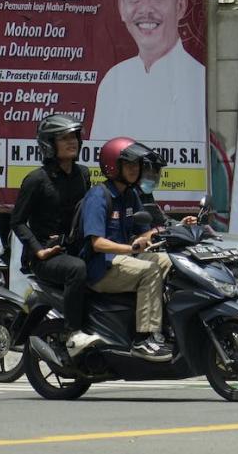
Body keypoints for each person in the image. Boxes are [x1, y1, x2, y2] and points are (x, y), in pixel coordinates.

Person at [91, 0, 206, 143]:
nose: (145, 9)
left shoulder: (199, 81)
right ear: (121, 8)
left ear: (180, 5)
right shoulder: (113, 82)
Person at [10, 114, 101, 356]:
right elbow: (17, 221)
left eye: (74, 136)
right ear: (50, 143)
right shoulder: (36, 180)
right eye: (64, 138)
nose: (72, 142)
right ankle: (73, 333)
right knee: (76, 269)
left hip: (75, 249)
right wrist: (38, 249)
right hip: (45, 257)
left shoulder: (83, 174)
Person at [79, 137, 174, 360]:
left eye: (137, 165)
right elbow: (97, 243)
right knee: (150, 271)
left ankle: (168, 328)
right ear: (114, 166)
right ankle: (144, 339)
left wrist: (170, 230)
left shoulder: (131, 195)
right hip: (102, 267)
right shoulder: (98, 196)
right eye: (129, 164)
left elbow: (145, 231)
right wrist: (130, 247)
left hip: (123, 260)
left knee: (170, 262)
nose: (134, 169)